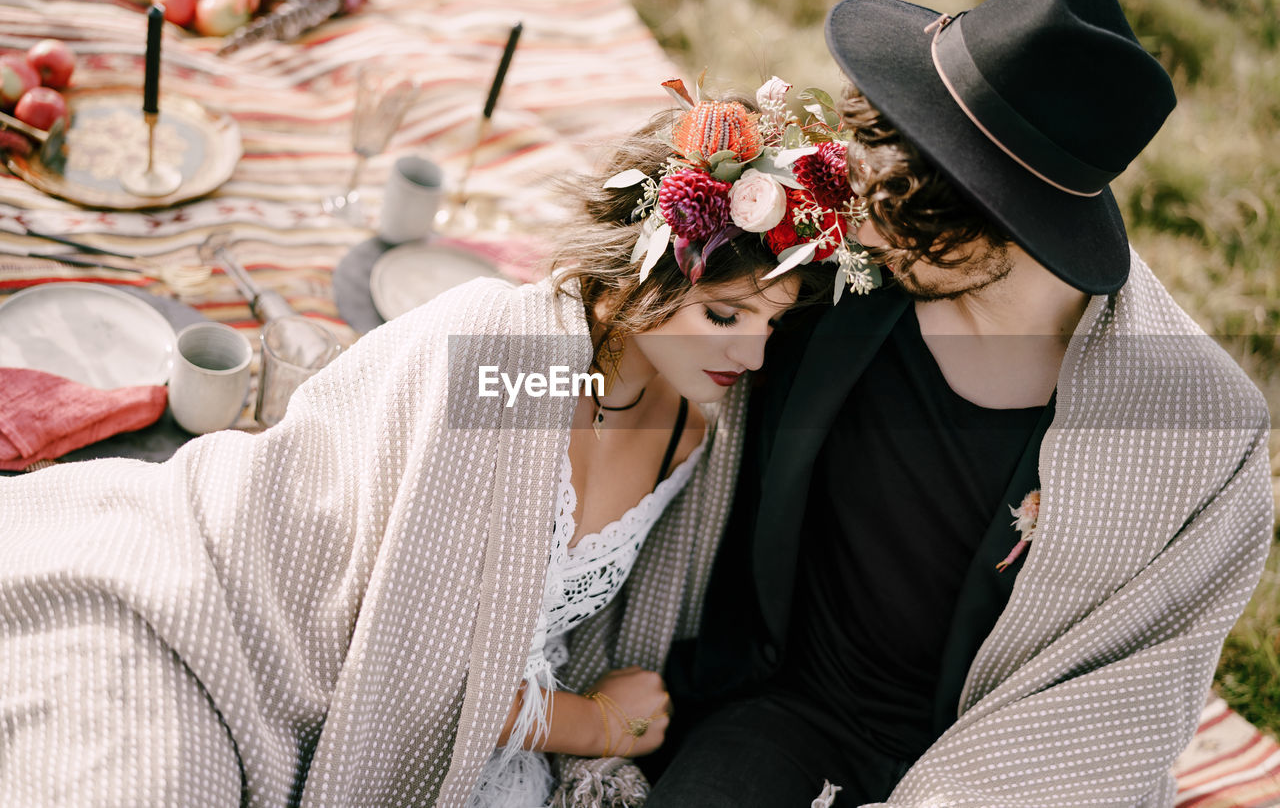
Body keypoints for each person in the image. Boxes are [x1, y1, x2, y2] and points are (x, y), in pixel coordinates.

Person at [0, 81, 866, 807]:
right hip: (223, 624)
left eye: (769, 325)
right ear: (640, 277)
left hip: (488, 735)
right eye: (724, 315)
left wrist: (579, 718)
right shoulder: (512, 356)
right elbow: (413, 663)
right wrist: (592, 723)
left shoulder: (699, 424)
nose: (750, 356)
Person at [634, 0, 1275, 808]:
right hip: (783, 710)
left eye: (902, 210)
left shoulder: (1191, 431)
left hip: (998, 769)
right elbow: (646, 318)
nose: (862, 218)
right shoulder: (836, 273)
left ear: (1008, 227)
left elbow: (1128, 690)